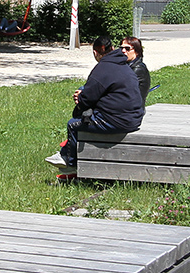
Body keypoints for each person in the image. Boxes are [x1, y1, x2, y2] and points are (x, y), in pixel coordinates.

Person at [46, 36, 145, 171]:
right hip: (135, 118)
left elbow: (87, 100)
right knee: (86, 112)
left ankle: (70, 163)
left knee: (73, 124)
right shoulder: (123, 64)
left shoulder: (102, 68)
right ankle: (66, 155)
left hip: (119, 121)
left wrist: (80, 98)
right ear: (112, 49)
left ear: (95, 53)